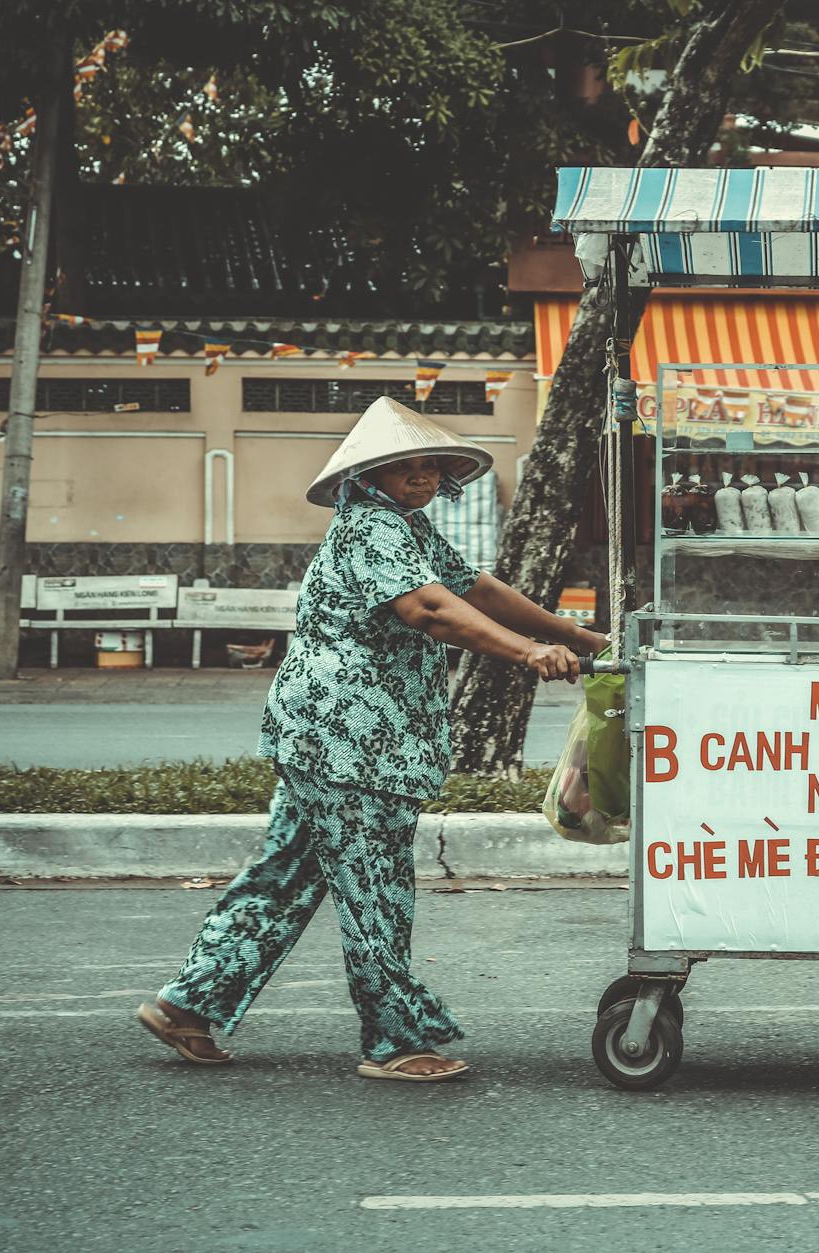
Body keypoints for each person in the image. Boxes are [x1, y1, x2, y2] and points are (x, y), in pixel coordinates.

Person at [137, 397, 606, 1083]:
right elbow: (430, 609)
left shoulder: (404, 528)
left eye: (428, 468)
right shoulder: (372, 530)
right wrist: (531, 653)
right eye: (403, 468)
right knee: (375, 887)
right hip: (352, 742)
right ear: (367, 475)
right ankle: (396, 1039)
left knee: (287, 873)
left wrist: (572, 633)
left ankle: (189, 1005)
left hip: (329, 737)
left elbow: (472, 587)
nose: (419, 479)